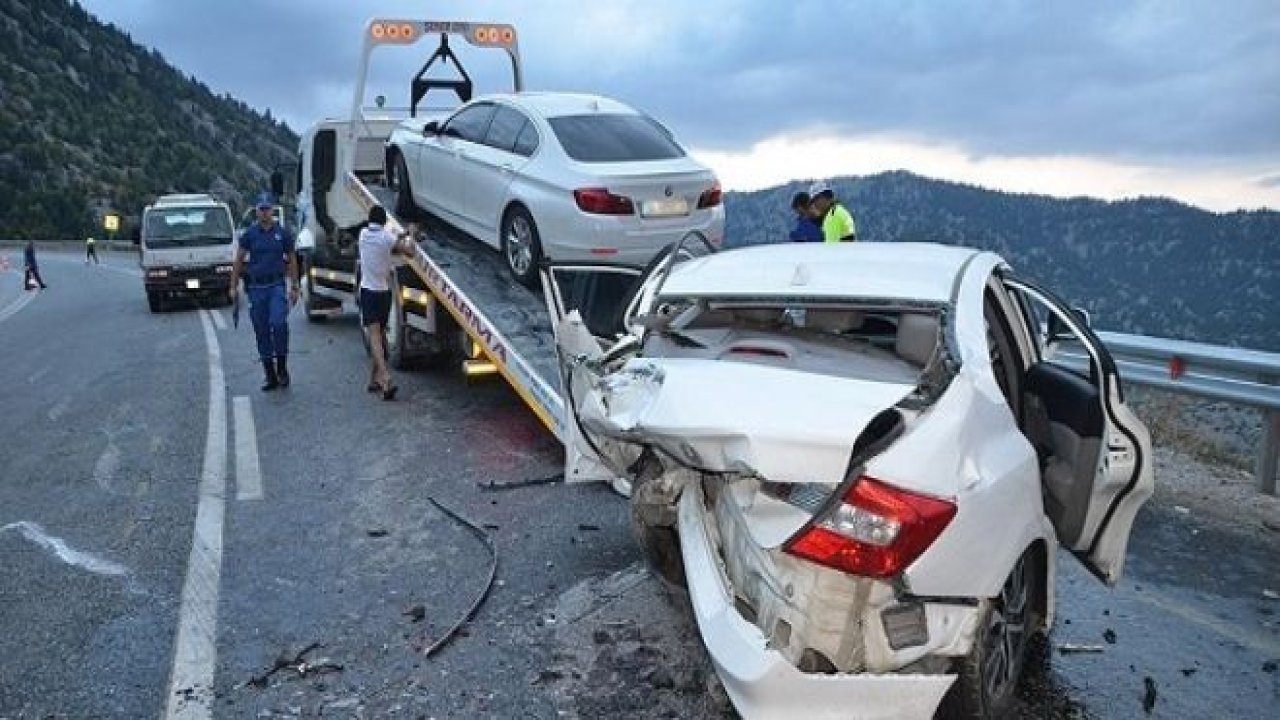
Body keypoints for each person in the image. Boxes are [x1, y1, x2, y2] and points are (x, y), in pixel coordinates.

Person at [229, 192, 299, 391]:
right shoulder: (249, 234)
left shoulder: (282, 233)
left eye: (268, 209)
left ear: (272, 210)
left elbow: (292, 259)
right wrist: (233, 287)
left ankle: (282, 368)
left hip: (276, 286)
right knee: (261, 330)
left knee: (278, 324)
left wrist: (294, 286)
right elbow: (238, 260)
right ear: (256, 211)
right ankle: (270, 374)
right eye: (261, 209)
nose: (265, 213)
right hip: (256, 288)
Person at [358, 205, 417, 401]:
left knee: (375, 337)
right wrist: (412, 236)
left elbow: (388, 239)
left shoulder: (363, 234)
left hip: (368, 291)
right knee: (379, 336)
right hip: (384, 293)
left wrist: (401, 235)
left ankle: (384, 377)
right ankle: (375, 379)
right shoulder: (387, 238)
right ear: (384, 222)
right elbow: (409, 252)